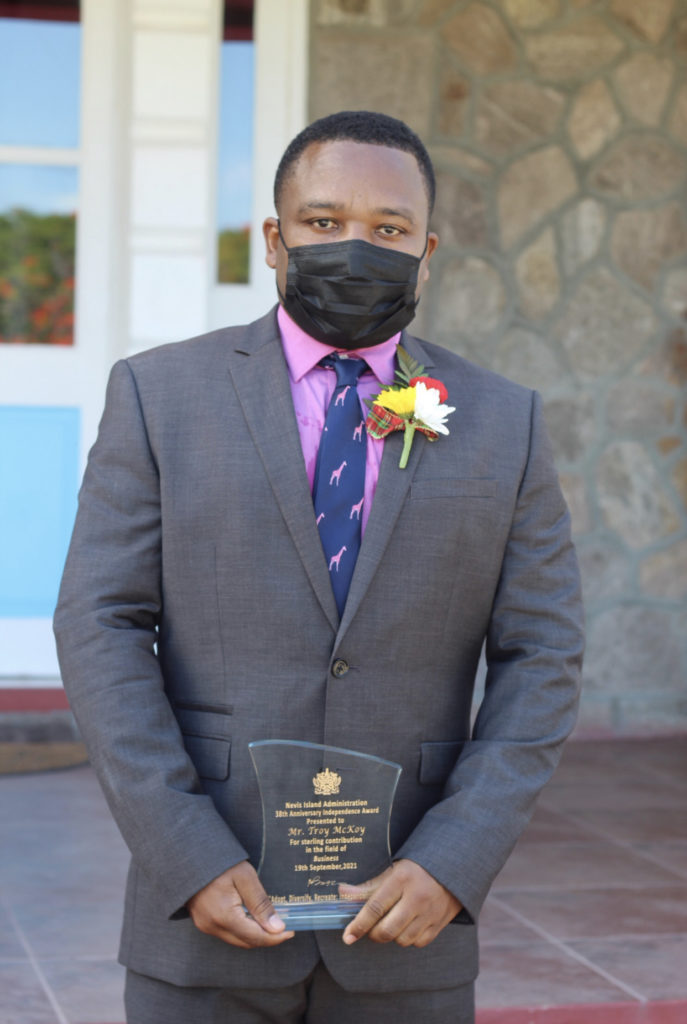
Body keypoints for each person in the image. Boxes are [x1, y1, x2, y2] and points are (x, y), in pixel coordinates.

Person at [54, 110, 584, 1024]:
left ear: (425, 253)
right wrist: (185, 852)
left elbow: (543, 654)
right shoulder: (158, 395)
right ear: (274, 239)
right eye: (324, 221)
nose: (355, 247)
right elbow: (100, 623)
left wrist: (454, 858)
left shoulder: (505, 421)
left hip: (407, 921)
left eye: (388, 228)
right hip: (206, 914)